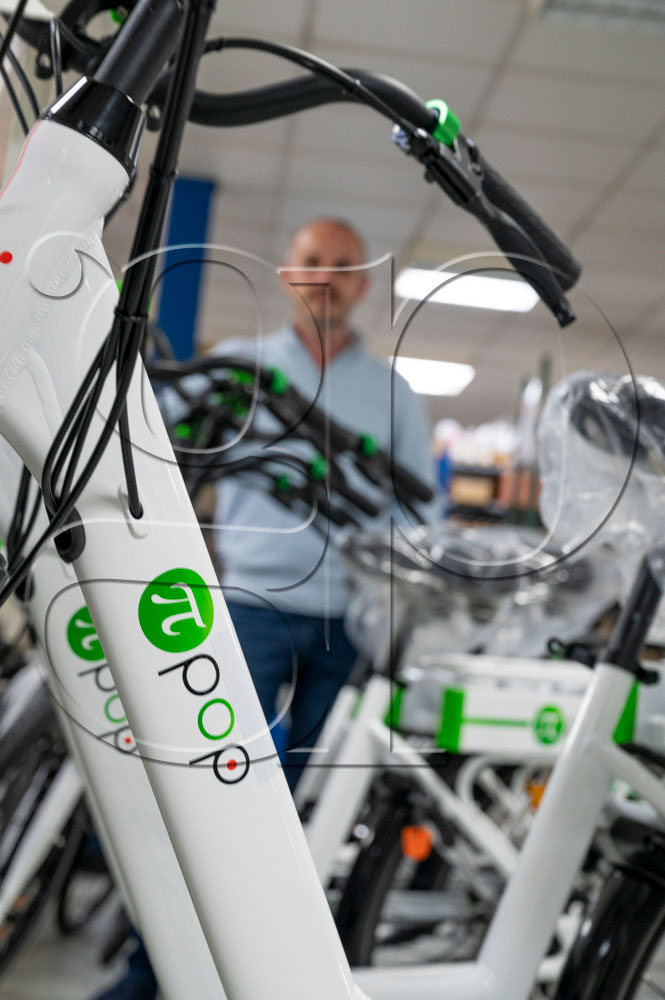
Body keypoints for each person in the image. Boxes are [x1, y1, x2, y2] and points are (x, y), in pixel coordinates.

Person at [91, 217, 435, 1000]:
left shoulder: (393, 394)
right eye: (313, 261)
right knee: (208, 792)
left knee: (306, 805)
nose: (326, 276)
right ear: (287, 272)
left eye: (342, 265)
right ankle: (154, 974)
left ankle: (268, 973)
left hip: (348, 623)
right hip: (248, 606)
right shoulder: (241, 367)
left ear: (361, 284)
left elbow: (422, 513)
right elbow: (157, 451)